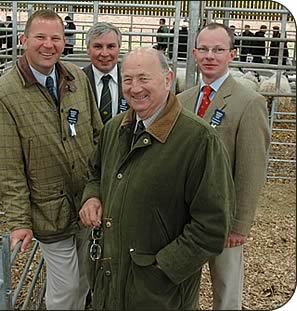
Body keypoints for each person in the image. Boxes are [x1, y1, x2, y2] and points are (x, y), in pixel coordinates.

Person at [79, 47, 234, 310]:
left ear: (167, 79)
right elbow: (96, 172)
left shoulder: (198, 140)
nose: (135, 88)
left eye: (144, 78)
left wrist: (164, 267)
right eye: (127, 79)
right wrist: (92, 196)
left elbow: (213, 225)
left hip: (159, 294)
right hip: (109, 280)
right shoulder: (115, 129)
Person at [0, 9, 103, 310]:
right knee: (64, 288)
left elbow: (97, 134)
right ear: (24, 40)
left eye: (56, 38)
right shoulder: (3, 94)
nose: (48, 45)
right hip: (49, 210)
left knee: (85, 278)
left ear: (65, 42)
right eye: (40, 37)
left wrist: (101, 189)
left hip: (87, 203)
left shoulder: (76, 77)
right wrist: (19, 222)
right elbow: (9, 167)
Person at [177, 23, 270, 310]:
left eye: (218, 50)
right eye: (203, 49)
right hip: (183, 217)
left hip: (223, 218)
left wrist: (240, 224)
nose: (210, 56)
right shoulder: (182, 101)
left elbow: (251, 169)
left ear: (232, 54)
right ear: (194, 53)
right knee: (180, 285)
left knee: (227, 289)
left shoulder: (249, 102)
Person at [82, 22, 128, 124]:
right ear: (88, 50)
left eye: (111, 46)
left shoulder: (131, 81)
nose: (104, 53)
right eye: (98, 46)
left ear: (119, 49)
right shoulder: (77, 81)